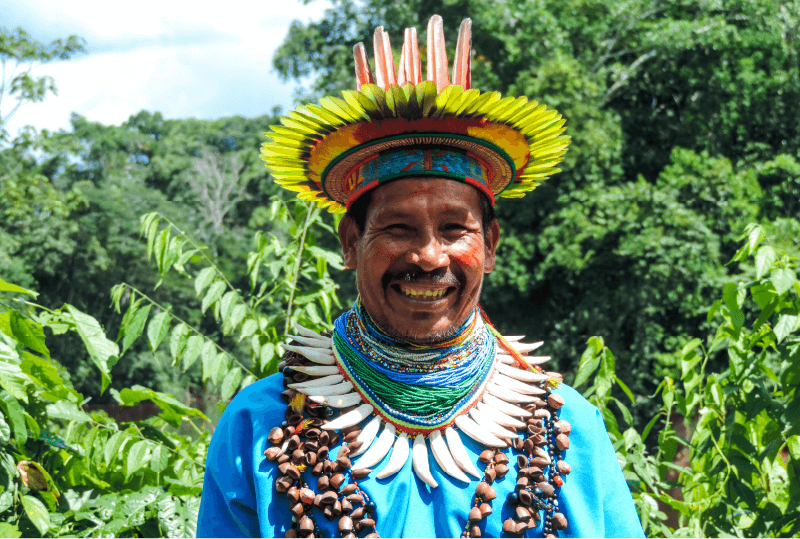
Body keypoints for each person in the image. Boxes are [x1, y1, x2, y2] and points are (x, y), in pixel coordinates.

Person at [197, 15, 645, 539]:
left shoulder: (567, 430)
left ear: (491, 246)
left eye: (455, 229)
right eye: (398, 228)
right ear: (349, 243)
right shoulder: (260, 425)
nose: (430, 257)